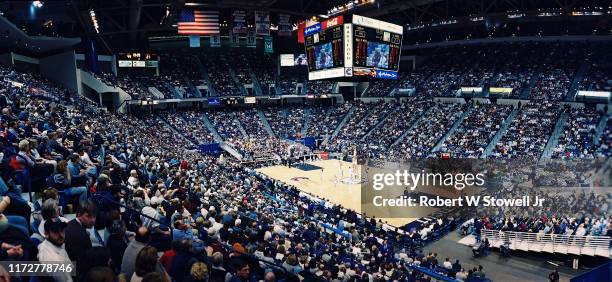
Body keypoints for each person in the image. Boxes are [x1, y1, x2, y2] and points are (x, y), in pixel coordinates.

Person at [65, 200, 97, 276]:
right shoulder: (82, 236)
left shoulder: (71, 222)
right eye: (88, 216)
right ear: (79, 215)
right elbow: (85, 264)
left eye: (94, 216)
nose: (93, 220)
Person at [38, 218, 72, 282]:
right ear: (46, 234)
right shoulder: (52, 260)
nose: (61, 235)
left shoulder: (56, 244)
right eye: (55, 231)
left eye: (62, 230)